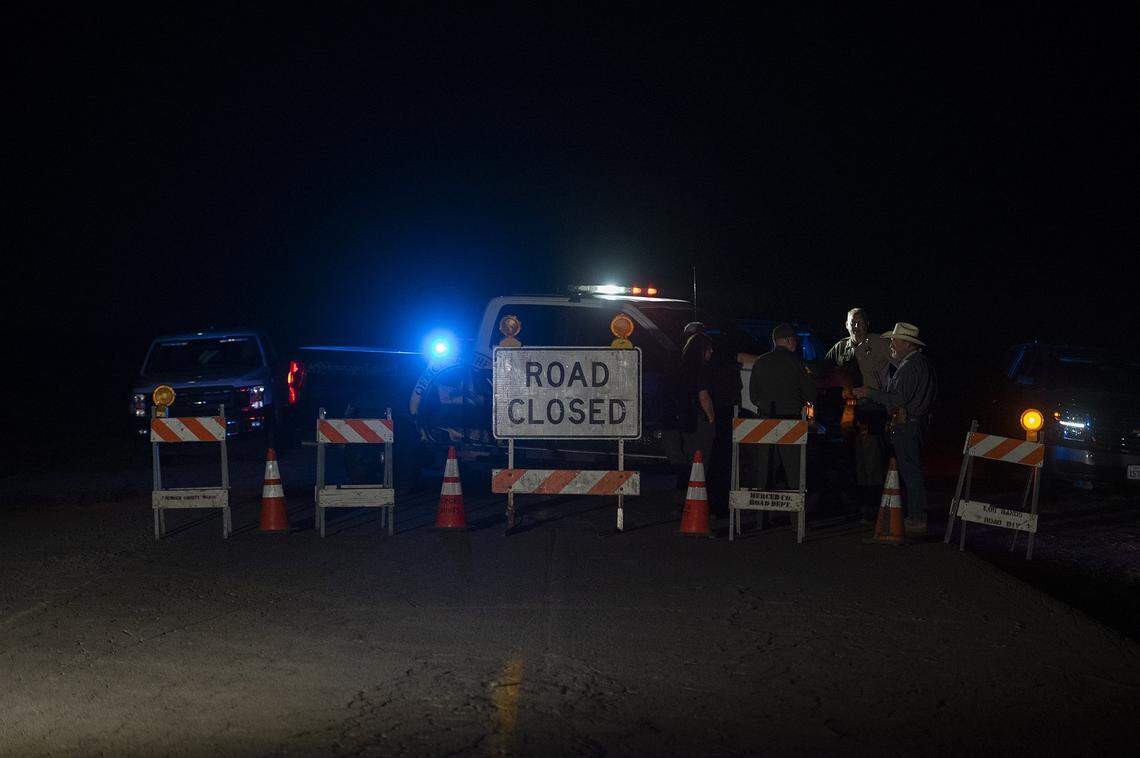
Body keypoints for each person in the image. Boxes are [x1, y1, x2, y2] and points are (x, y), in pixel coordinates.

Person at [853, 322, 937, 535]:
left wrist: (870, 393)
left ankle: (917, 518)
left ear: (907, 344)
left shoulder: (910, 367)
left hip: (908, 425)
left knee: (911, 473)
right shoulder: (920, 364)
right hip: (914, 424)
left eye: (895, 340)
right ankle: (915, 515)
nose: (891, 343)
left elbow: (898, 399)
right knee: (911, 472)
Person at [824, 308, 892, 521]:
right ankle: (858, 504)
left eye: (860, 322)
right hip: (848, 414)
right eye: (853, 322)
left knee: (872, 459)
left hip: (873, 409)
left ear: (867, 324)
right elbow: (824, 371)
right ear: (846, 325)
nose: (856, 326)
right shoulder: (840, 348)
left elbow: (900, 365)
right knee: (851, 460)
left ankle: (875, 507)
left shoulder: (879, 343)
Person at [749, 323, 816, 491]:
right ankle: (795, 515)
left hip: (765, 422)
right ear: (787, 340)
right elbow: (810, 394)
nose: (796, 343)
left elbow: (753, 396)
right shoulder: (797, 363)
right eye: (794, 339)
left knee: (764, 471)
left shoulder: (760, 362)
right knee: (794, 472)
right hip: (791, 422)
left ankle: (762, 514)